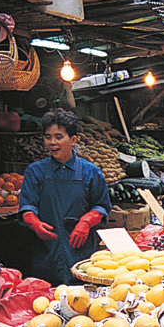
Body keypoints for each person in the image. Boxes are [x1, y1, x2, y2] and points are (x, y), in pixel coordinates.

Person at [19, 109, 111, 285]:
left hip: (81, 253)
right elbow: (26, 207)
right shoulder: (35, 171)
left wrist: (86, 221)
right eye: (48, 137)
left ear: (73, 140)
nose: (52, 142)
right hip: (46, 252)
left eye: (59, 137)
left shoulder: (91, 172)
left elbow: (101, 206)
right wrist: (34, 223)